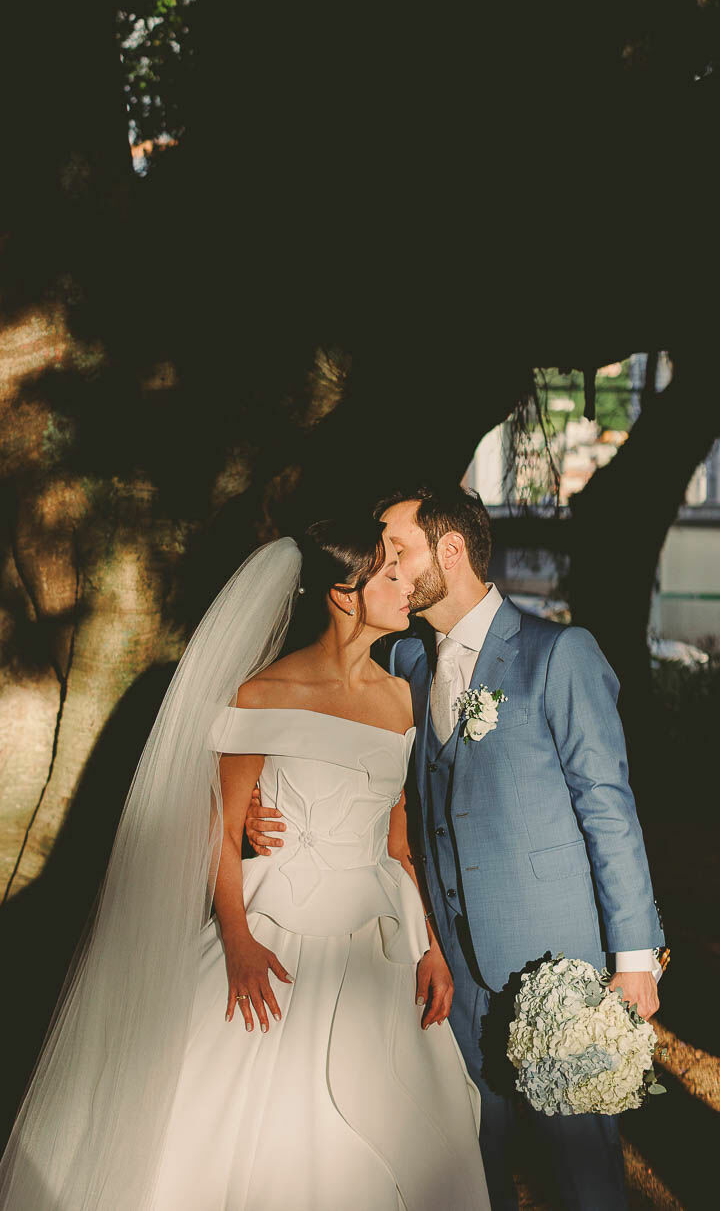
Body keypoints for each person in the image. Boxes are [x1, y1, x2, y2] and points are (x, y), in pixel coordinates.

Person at [0, 517, 490, 1211]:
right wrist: (241, 942)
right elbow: (220, 833)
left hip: (375, 944)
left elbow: (397, 843)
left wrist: (428, 947)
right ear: (346, 594)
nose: (410, 589)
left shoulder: (400, 697)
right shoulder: (263, 694)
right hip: (270, 932)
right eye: (392, 576)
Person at [248, 485, 665, 1211]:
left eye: (398, 552)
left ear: (450, 550)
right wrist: (264, 794)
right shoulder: (407, 663)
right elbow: (357, 759)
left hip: (559, 969)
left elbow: (610, 810)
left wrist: (633, 961)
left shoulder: (556, 654)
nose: (388, 567)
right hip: (449, 974)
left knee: (583, 1176)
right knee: (472, 1170)